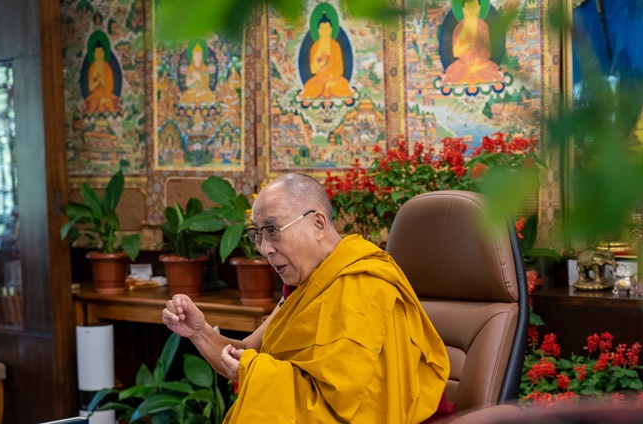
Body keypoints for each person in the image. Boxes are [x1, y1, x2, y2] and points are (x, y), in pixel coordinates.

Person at [162, 173, 450, 423]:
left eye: (272, 231)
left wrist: (253, 369)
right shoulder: (306, 284)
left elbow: (345, 405)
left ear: (318, 224)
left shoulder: (364, 284)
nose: (264, 248)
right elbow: (243, 353)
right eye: (258, 235)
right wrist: (199, 332)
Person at [441, 0, 504, 87]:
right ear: (463, 10)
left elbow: (487, 50)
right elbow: (456, 51)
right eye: (468, 9)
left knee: (491, 69)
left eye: (474, 8)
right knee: (453, 71)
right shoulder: (460, 27)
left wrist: (477, 52)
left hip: (480, 61)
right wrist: (466, 48)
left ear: (479, 9)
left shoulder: (483, 26)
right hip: (464, 62)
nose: (471, 11)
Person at [301, 12, 354, 100]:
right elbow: (313, 69)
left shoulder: (336, 46)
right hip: (319, 79)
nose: (325, 32)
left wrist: (331, 77)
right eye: (322, 29)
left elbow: (340, 69)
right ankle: (325, 89)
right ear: (319, 31)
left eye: (327, 29)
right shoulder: (315, 46)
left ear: (331, 30)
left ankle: (328, 88)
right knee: (309, 86)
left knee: (343, 84)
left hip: (333, 78)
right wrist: (321, 62)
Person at [84, 40, 120, 113]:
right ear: (94, 54)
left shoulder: (107, 68)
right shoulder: (92, 68)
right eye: (97, 52)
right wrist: (98, 81)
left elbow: (110, 87)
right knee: (90, 104)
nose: (99, 55)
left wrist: (102, 81)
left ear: (103, 53)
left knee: (111, 103)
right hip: (95, 96)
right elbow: (91, 88)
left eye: (100, 52)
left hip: (107, 95)